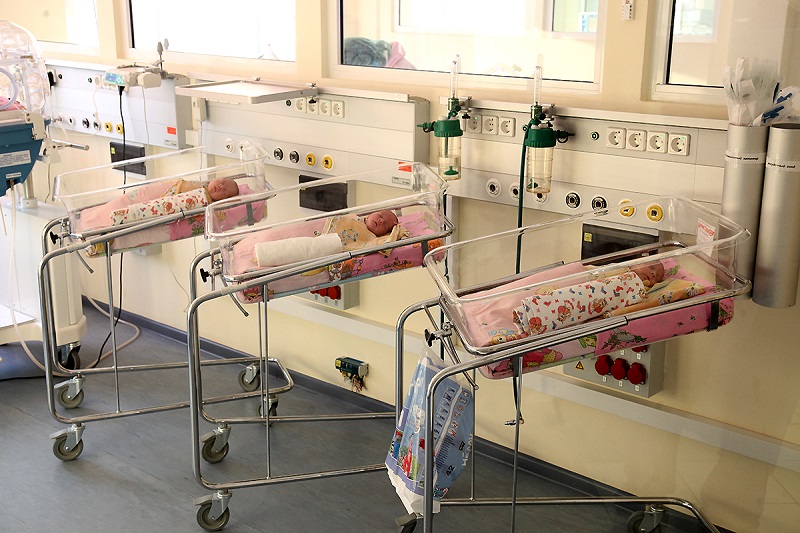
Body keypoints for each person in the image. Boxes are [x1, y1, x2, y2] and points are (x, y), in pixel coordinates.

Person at [109, 177, 239, 226]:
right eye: (221, 182)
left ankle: (121, 216)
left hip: (166, 206)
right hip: (163, 196)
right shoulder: (200, 184)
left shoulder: (205, 202)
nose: (220, 187)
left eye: (224, 191)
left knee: (144, 211)